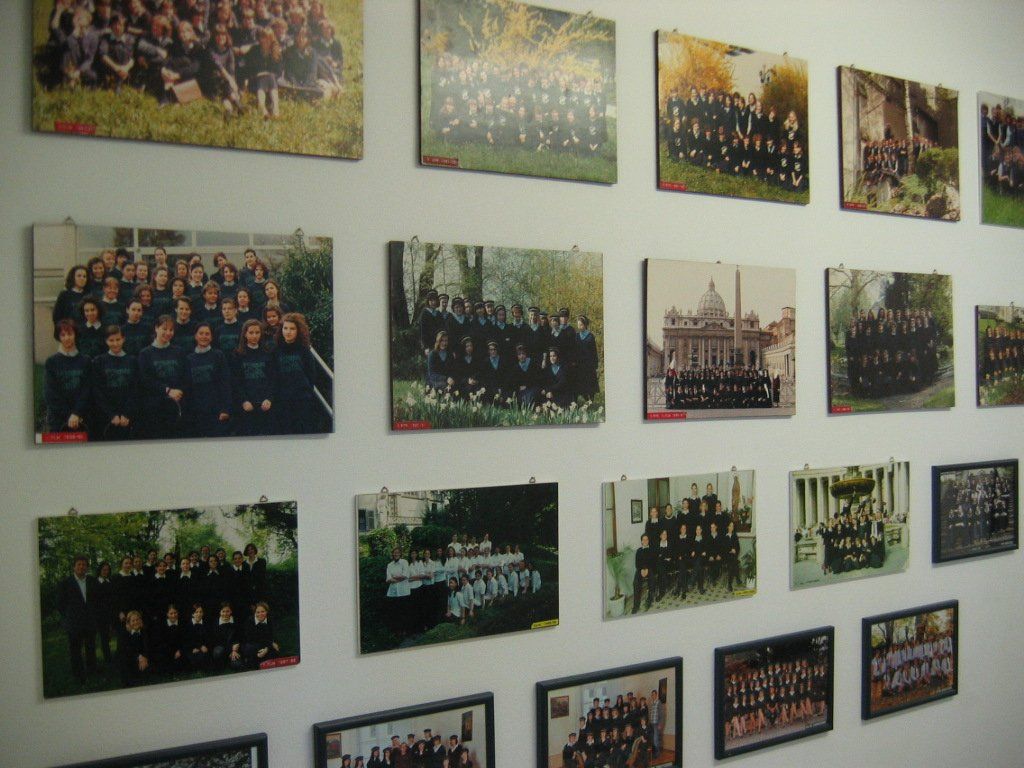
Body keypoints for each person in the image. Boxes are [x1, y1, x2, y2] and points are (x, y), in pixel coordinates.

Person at [44, 319, 92, 435]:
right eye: (63, 335)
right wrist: (69, 416)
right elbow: (50, 394)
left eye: (70, 334)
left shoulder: (86, 361)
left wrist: (76, 413)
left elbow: (87, 390)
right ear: (58, 337)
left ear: (75, 335)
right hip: (58, 421)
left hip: (82, 419)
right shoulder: (51, 362)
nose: (67, 338)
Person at [273, 313, 319, 433]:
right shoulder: (276, 350)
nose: (288, 332)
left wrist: (307, 391)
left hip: (302, 398)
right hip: (283, 399)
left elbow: (311, 374)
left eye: (292, 329)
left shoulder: (304, 350)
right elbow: (273, 375)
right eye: (285, 328)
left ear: (298, 331)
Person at [232, 319, 276, 436]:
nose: (254, 335)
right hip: (247, 405)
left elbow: (273, 378)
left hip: (265, 403)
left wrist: (269, 398)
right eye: (251, 332)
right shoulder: (238, 354)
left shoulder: (267, 352)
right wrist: (244, 401)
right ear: (245, 334)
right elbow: (236, 381)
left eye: (257, 332)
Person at [57, 555, 98, 682]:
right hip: (74, 623)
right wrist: (69, 617)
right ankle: (78, 674)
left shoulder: (92, 581)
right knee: (75, 650)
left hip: (90, 621)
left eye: (84, 564)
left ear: (87, 567)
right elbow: (60, 604)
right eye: (79, 564)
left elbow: (97, 600)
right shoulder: (66, 583)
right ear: (74, 567)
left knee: (91, 647)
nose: (81, 567)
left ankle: (92, 670)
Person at [241, 601, 279, 668]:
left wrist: (267, 649)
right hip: (253, 644)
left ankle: (259, 660)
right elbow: (251, 638)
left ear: (266, 612)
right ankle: (253, 660)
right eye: (257, 612)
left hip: (266, 644)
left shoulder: (270, 620)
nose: (260, 614)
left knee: (276, 650)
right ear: (255, 613)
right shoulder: (249, 621)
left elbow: (272, 635)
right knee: (250, 649)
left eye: (263, 611)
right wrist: (270, 644)